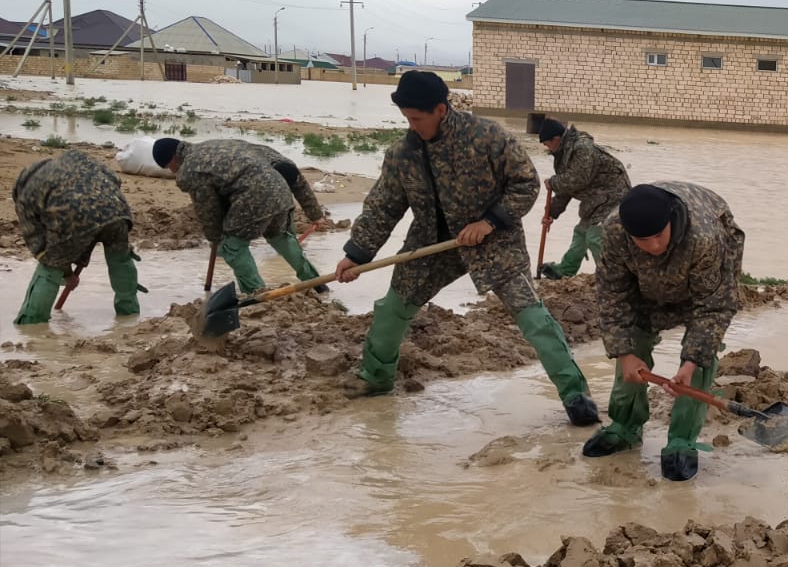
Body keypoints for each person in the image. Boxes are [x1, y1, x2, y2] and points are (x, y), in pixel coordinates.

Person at [333, 70, 598, 425]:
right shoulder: (403, 154)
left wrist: (489, 221)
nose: (412, 126)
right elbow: (383, 206)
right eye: (406, 119)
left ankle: (575, 395)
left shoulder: (486, 137)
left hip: (493, 242)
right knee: (392, 309)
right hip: (431, 244)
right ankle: (376, 380)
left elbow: (525, 184)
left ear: (441, 109)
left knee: (532, 316)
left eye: (417, 118)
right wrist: (356, 254)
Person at [583, 182, 745, 481]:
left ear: (670, 221)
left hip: (705, 271)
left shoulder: (704, 238)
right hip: (643, 282)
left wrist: (690, 362)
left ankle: (682, 440)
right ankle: (625, 426)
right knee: (632, 340)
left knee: (701, 349)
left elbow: (712, 308)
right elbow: (613, 295)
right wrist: (625, 352)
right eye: (643, 240)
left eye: (659, 235)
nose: (654, 246)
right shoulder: (614, 232)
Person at [156, 136, 327, 295]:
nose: (172, 172)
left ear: (171, 159)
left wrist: (216, 238)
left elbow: (208, 209)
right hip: (281, 191)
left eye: (168, 168)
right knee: (281, 237)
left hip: (253, 195)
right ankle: (316, 283)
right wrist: (315, 214)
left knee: (232, 247)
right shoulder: (218, 145)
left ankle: (256, 294)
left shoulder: (189, 169)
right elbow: (289, 169)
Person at [12, 149, 144, 324]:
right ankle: (129, 314)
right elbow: (114, 179)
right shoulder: (79, 160)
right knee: (120, 259)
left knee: (49, 267)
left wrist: (66, 273)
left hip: (72, 215)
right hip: (116, 210)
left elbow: (39, 245)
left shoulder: (25, 195)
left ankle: (31, 324)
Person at [533, 116, 631, 280]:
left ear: (556, 139)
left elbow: (578, 179)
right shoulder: (563, 154)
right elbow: (566, 189)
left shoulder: (582, 147)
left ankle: (614, 274)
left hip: (614, 194)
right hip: (596, 198)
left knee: (595, 236)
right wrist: (551, 213)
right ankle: (565, 269)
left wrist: (553, 182)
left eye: (546, 143)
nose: (546, 147)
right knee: (581, 232)